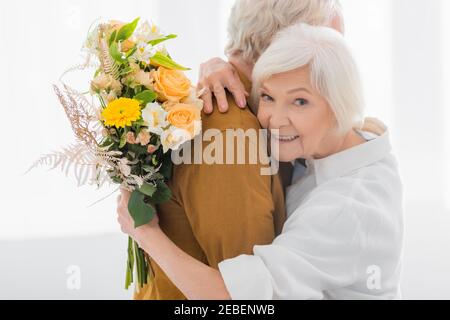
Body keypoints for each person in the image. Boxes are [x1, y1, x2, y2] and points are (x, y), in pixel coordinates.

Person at [117, 22, 404, 300]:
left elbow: (236, 300)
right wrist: (217, 67)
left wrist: (145, 232)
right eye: (267, 96)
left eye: (300, 101)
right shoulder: (343, 142)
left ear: (340, 106)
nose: (276, 120)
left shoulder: (346, 209)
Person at [131, 0, 343, 300]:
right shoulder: (232, 132)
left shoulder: (268, 119)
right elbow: (248, 300)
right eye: (330, 53)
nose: (338, 71)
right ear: (282, 47)